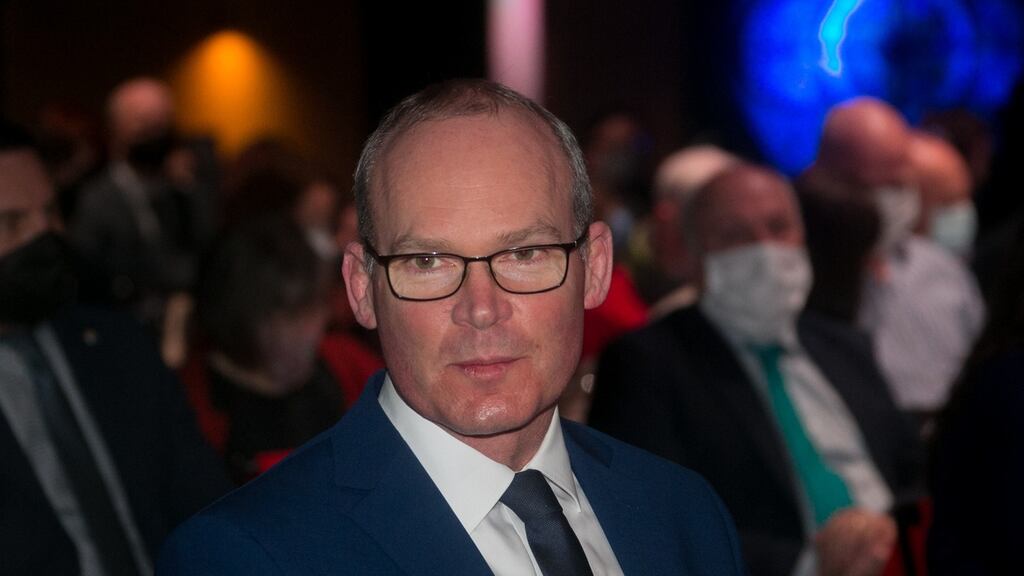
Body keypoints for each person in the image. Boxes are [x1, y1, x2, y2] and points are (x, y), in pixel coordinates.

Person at [158, 79, 746, 575]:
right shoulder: (248, 557)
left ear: (594, 268)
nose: (482, 308)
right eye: (428, 262)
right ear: (362, 289)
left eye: (524, 254)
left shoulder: (685, 514)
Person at [589, 164, 923, 576]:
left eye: (779, 227)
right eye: (735, 236)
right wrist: (813, 563)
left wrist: (890, 535)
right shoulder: (648, 362)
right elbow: (651, 523)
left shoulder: (845, 345)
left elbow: (914, 474)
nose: (765, 249)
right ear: (694, 257)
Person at [0, 121, 230, 575]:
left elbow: (205, 500)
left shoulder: (116, 344)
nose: (43, 236)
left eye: (51, 213)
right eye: (11, 222)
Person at [810, 97, 984, 425]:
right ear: (823, 177)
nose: (897, 197)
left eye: (903, 182)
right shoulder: (798, 282)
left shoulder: (944, 272)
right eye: (880, 186)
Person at [180, 215, 379, 485]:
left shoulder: (343, 361)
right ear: (247, 320)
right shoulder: (194, 409)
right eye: (295, 314)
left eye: (314, 306)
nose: (317, 323)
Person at [70, 77, 215, 332]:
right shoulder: (96, 198)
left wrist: (188, 191)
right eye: (143, 125)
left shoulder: (184, 190)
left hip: (185, 326)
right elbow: (89, 274)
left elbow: (207, 248)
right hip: (122, 327)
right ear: (116, 129)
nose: (154, 136)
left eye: (162, 125)